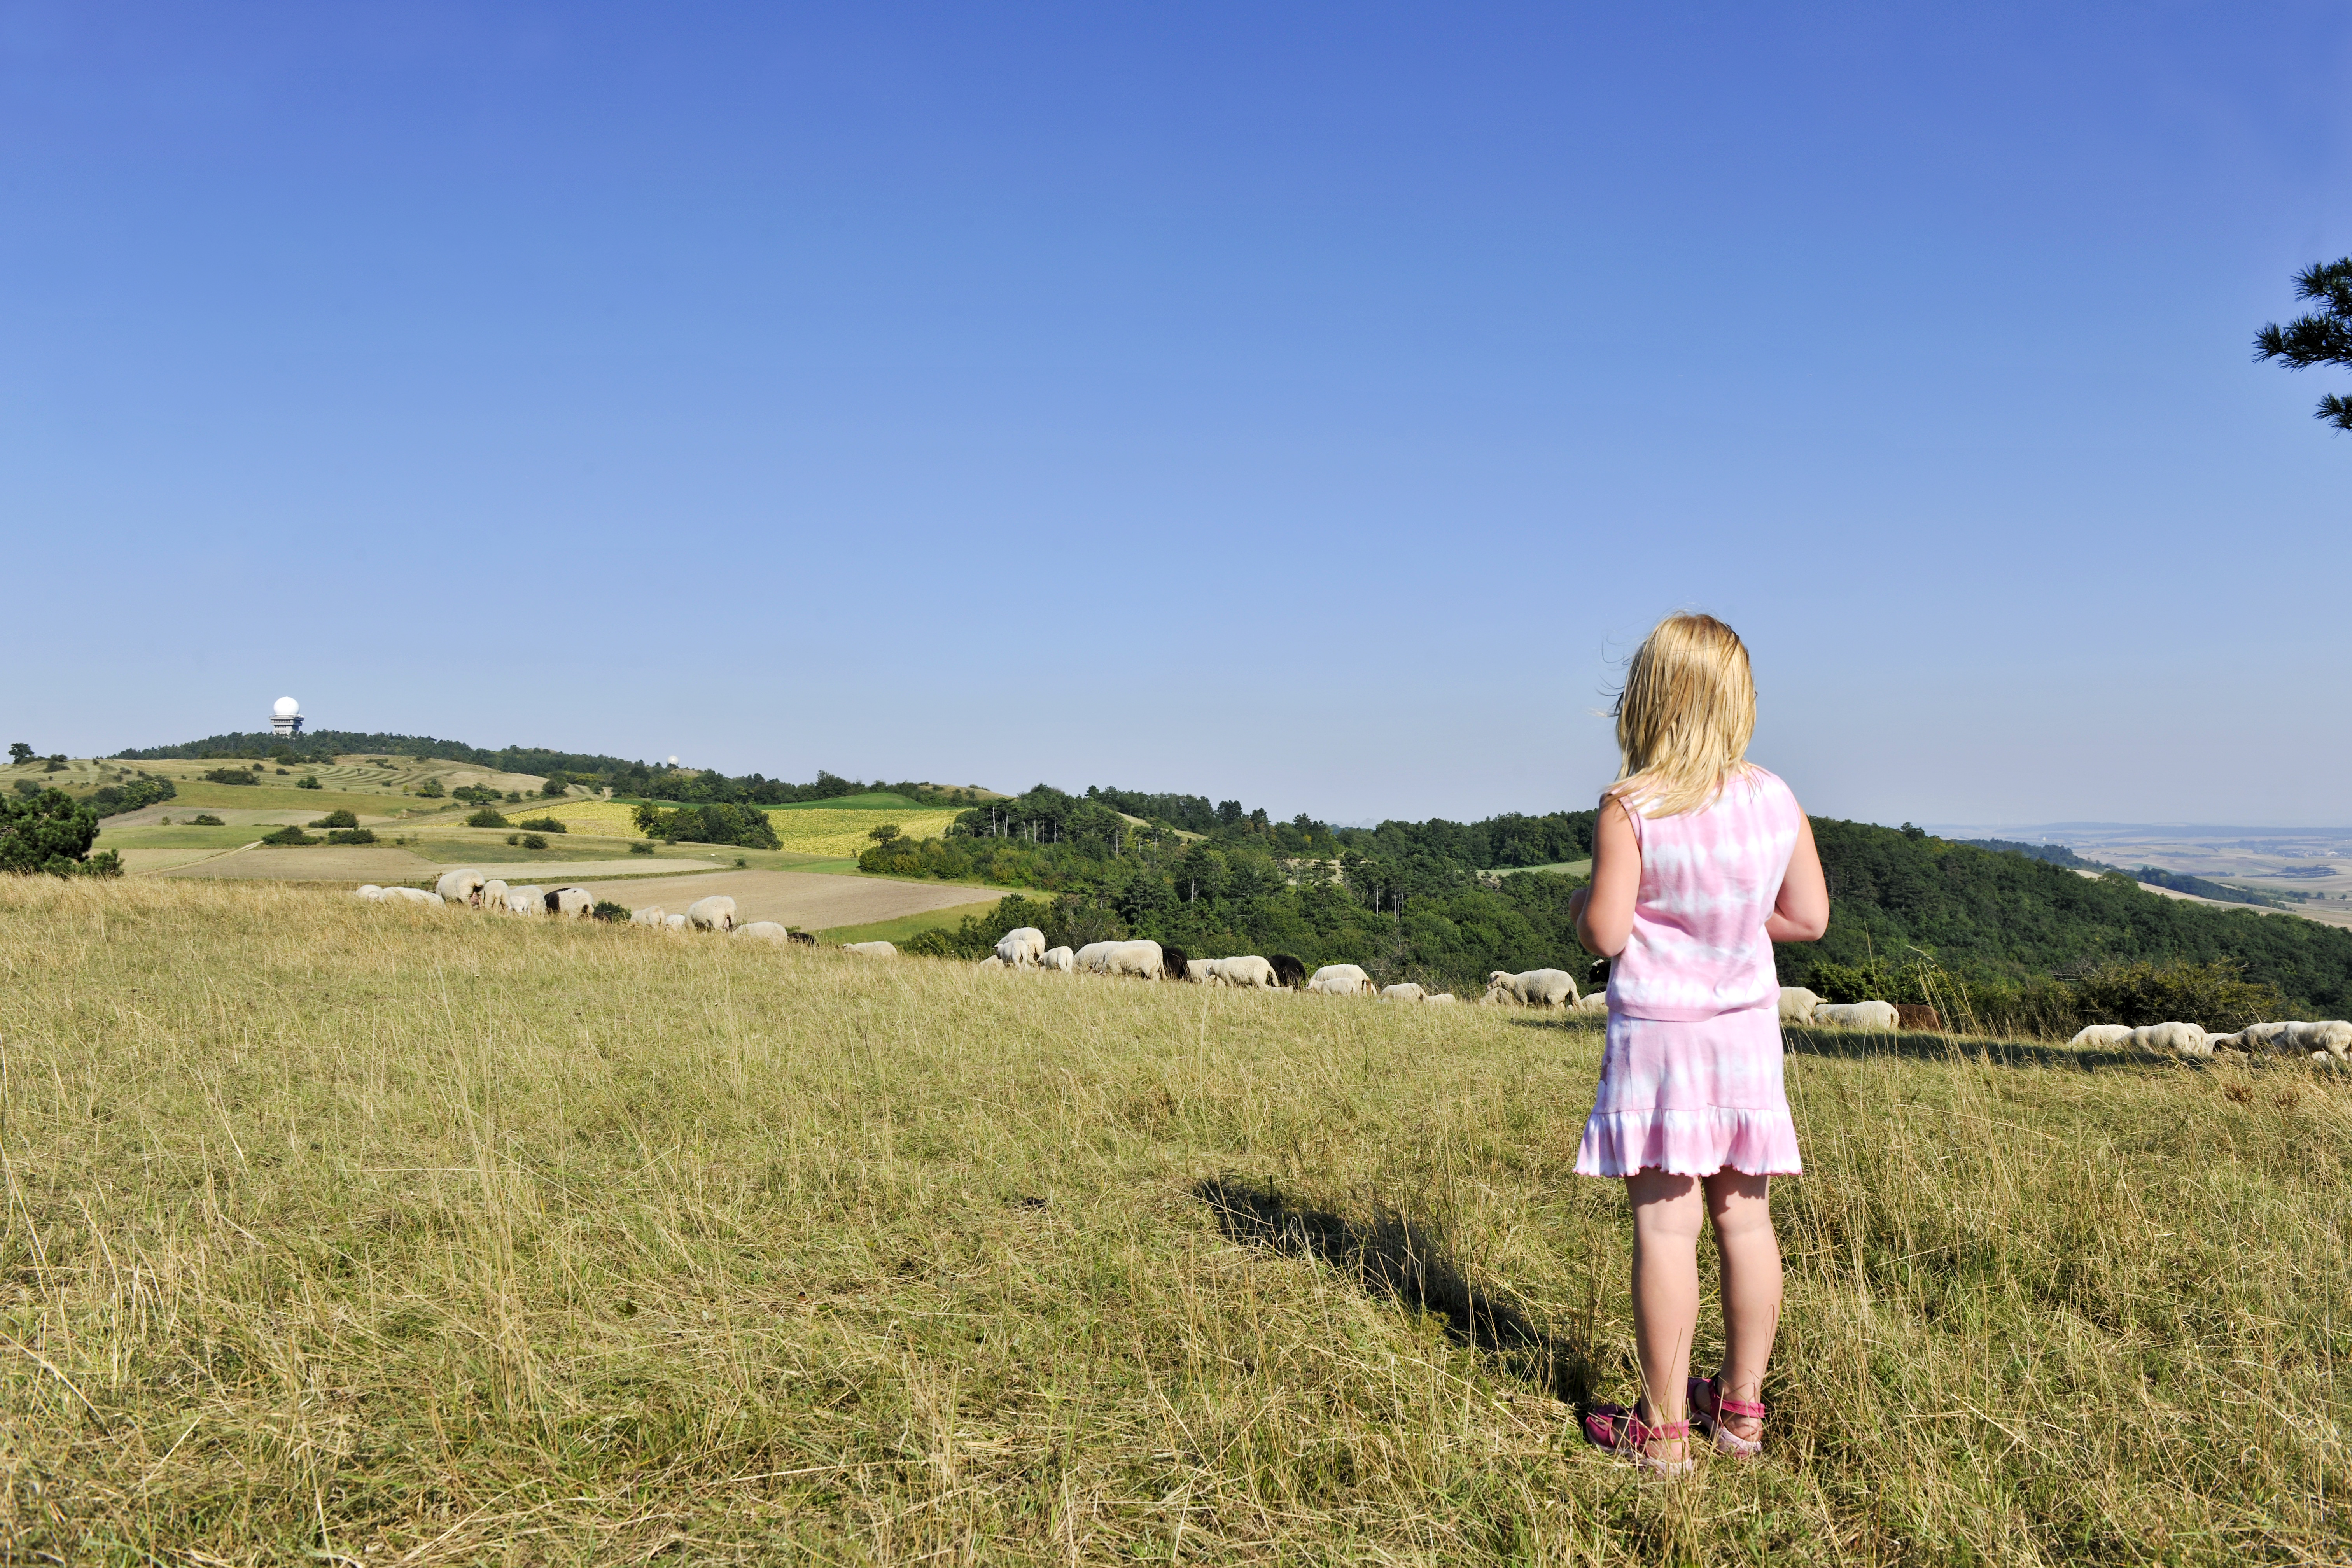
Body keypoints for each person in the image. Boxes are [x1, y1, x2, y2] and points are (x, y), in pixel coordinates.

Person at [1566, 612, 1828, 1474]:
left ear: (1647, 699)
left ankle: (1666, 1431)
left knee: (1666, 1233)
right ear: (1739, 701)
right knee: (1746, 1225)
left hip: (1663, 1047)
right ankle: (1742, 1415)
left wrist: (1577, 912)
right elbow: (1808, 918)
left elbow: (1606, 933)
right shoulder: (1776, 799)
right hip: (1746, 1039)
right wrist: (1734, 924)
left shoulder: (1630, 806)